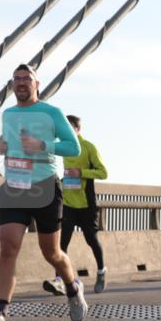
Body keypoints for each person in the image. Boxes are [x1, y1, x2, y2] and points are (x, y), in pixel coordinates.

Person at [0, 64, 88, 321]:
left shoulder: (52, 113)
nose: (22, 82)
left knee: (51, 253)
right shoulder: (9, 114)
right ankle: (1, 313)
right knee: (8, 247)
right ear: (12, 85)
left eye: (27, 78)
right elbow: (12, 138)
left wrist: (43, 146)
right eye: (17, 78)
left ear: (38, 84)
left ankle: (73, 288)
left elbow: (73, 146)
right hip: (15, 186)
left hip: (45, 187)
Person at [43, 115, 108, 296]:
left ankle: (102, 271)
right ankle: (59, 280)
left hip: (87, 204)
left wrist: (80, 172)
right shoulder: (64, 148)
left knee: (91, 239)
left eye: (71, 129)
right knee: (61, 243)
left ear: (78, 129)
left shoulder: (88, 147)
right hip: (69, 203)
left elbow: (103, 172)